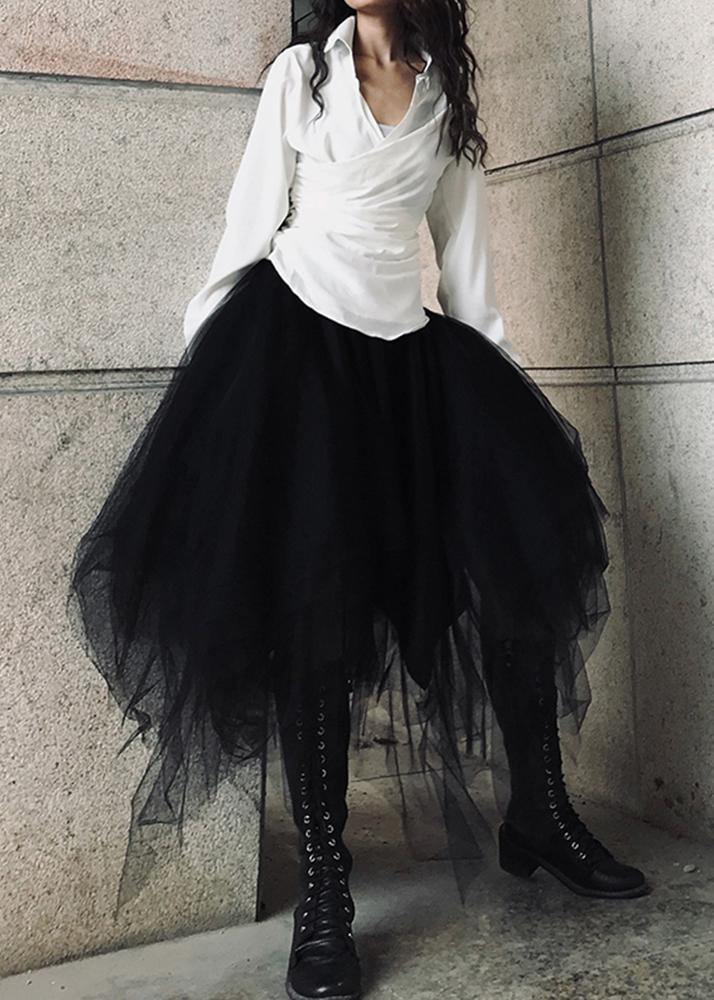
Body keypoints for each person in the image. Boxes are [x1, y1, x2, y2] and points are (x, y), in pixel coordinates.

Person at [66, 3, 651, 999]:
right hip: (296, 361)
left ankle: (540, 814)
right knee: (316, 618)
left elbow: (465, 265)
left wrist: (501, 404)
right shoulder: (302, 76)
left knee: (518, 554)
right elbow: (247, 226)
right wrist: (213, 392)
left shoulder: (444, 92)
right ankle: (325, 888)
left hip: (411, 363)